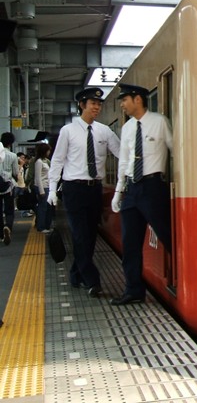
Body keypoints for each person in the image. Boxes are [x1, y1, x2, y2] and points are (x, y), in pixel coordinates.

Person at [47, 87, 120, 298]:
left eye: (99, 104)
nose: (97, 107)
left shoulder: (104, 131)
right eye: (93, 103)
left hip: (94, 189)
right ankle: (93, 280)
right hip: (74, 189)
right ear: (82, 105)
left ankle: (76, 274)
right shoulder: (68, 131)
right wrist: (52, 189)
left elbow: (120, 152)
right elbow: (58, 160)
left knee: (89, 237)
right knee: (79, 234)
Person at [110, 84, 173, 306]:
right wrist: (118, 192)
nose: (122, 104)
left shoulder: (160, 122)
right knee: (130, 243)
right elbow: (124, 162)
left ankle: (186, 280)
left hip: (154, 187)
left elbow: (175, 150)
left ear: (138, 99)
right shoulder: (127, 128)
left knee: (168, 236)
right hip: (132, 189)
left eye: (124, 99)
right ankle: (134, 290)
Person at [0, 133, 19, 246]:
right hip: (8, 186)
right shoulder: (12, 155)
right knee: (9, 209)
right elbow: (16, 172)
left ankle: (1, 234)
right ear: (10, 143)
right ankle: (8, 227)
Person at [34, 143, 54, 233]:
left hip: (48, 187)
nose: (49, 152)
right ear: (44, 151)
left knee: (48, 207)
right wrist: (41, 191)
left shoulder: (45, 161)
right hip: (43, 187)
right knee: (43, 207)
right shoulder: (39, 162)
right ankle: (41, 227)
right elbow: (38, 177)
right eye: (48, 150)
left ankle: (47, 226)